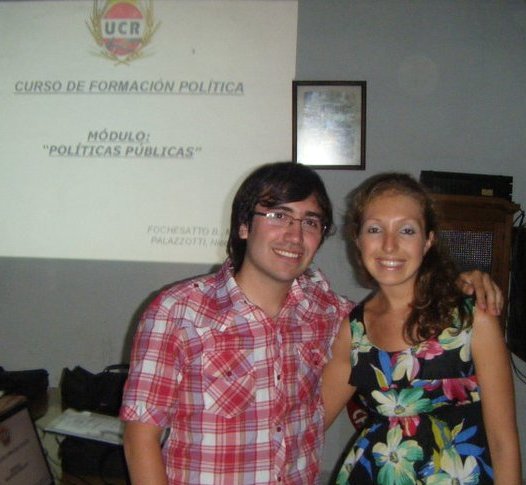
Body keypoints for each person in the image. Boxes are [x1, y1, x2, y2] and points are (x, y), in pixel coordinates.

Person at [120, 162, 503, 485]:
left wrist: (460, 283)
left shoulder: (333, 316)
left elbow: (398, 315)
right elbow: (141, 439)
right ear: (243, 226)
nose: (294, 235)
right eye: (278, 216)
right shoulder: (178, 312)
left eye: (310, 222)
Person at [323, 173, 521, 484]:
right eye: (374, 229)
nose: (389, 245)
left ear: (428, 240)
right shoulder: (354, 330)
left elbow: (503, 443)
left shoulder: (471, 320)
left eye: (406, 230)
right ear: (358, 239)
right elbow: (310, 421)